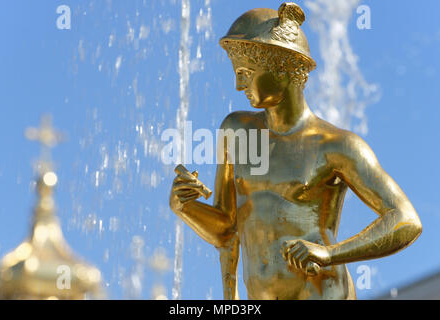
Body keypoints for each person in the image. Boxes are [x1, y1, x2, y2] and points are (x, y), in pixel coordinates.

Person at [169, 2, 422, 299]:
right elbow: (226, 229)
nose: (239, 85)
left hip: (320, 290)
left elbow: (406, 220)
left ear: (282, 69)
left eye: (245, 72)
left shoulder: (337, 146)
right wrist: (184, 206)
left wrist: (331, 254)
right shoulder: (236, 131)